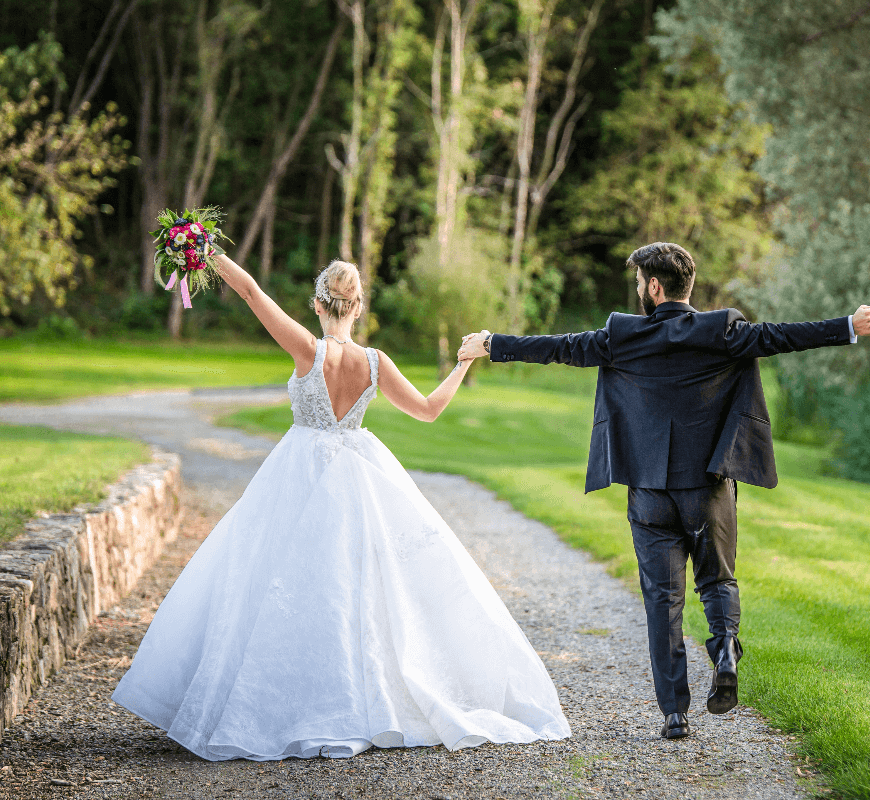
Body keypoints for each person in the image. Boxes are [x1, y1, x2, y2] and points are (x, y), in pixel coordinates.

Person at [112, 255, 570, 761]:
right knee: (359, 587)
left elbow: (249, 291)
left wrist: (207, 251)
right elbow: (428, 410)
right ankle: (361, 692)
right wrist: (463, 362)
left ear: (317, 304)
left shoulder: (307, 349)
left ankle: (295, 698)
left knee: (279, 579)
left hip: (298, 470)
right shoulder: (375, 363)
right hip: (358, 471)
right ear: (359, 307)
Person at [458, 242, 870, 740]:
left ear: (654, 287)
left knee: (663, 600)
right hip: (706, 489)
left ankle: (674, 714)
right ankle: (724, 649)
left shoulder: (621, 334)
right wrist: (849, 325)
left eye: (639, 282)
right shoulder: (721, 330)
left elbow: (560, 347)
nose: (637, 290)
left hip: (649, 497)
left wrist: (493, 343)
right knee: (717, 582)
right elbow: (781, 337)